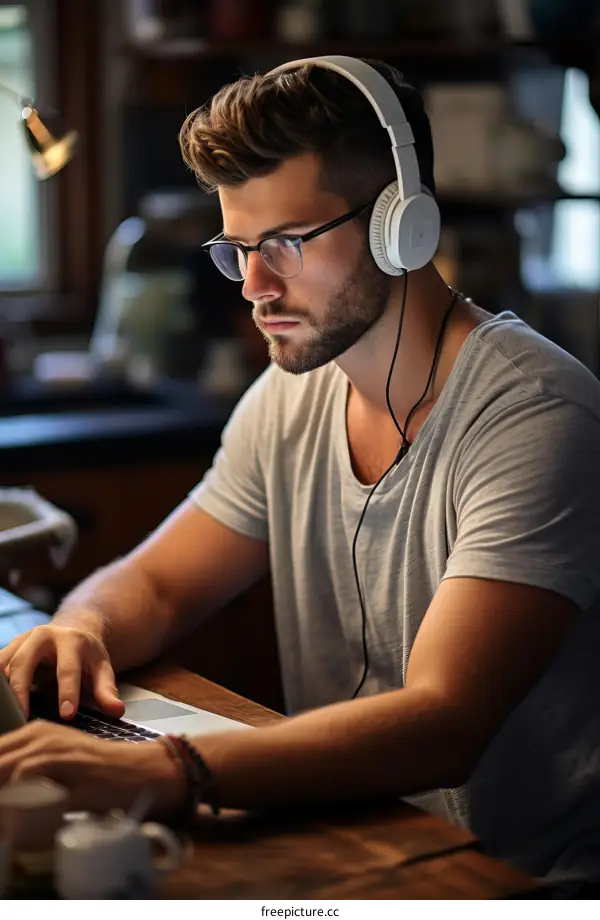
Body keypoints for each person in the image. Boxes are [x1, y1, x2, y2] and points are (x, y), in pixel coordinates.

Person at [1, 56, 600, 890]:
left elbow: (446, 721)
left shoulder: (537, 414)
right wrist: (82, 629)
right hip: (352, 838)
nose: (253, 287)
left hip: (518, 882)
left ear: (400, 226)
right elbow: (160, 586)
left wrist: (172, 769)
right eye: (237, 250)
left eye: (283, 244)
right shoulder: (289, 398)